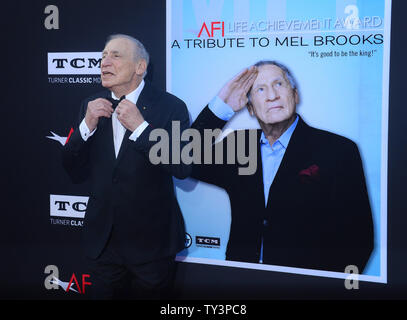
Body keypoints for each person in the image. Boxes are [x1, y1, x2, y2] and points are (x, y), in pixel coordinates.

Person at [190, 60, 374, 273]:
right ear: (250, 108)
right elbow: (183, 158)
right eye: (260, 89)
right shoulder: (238, 145)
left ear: (295, 95)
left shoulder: (339, 150)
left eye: (279, 84)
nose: (271, 95)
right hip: (241, 278)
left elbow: (359, 237)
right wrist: (222, 108)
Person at [62, 34, 190, 299]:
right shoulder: (91, 105)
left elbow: (182, 166)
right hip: (104, 244)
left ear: (140, 67)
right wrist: (86, 126)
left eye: (115, 55)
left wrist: (141, 128)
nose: (104, 62)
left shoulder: (171, 107)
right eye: (103, 56)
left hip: (151, 247)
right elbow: (72, 170)